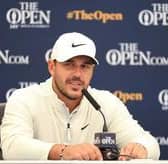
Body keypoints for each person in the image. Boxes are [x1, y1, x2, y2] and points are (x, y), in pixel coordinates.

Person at [1, 32, 160, 160]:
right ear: (52, 67)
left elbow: (151, 144)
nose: (77, 74)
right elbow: (12, 148)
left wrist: (140, 147)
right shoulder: (24, 98)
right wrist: (63, 151)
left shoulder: (105, 104)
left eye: (85, 66)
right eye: (69, 64)